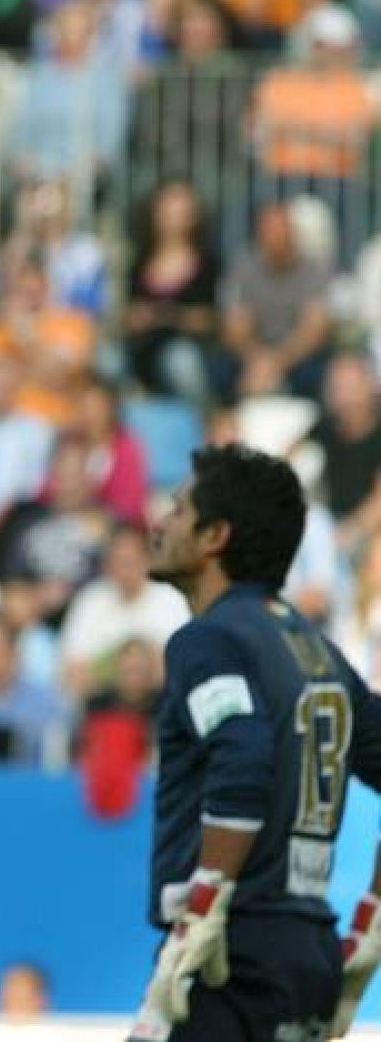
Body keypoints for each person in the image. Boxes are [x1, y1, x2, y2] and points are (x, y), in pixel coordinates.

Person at [129, 444, 381, 1042]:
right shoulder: (319, 650)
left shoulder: (206, 642)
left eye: (176, 508)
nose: (158, 521)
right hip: (310, 955)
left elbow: (241, 758)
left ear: (215, 535)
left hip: (226, 960)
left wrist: (204, 908)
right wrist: (371, 917)